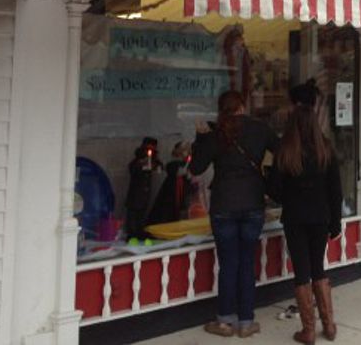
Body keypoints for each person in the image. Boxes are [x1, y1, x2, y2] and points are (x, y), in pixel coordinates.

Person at [191, 91, 279, 338]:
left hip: (223, 206)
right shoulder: (260, 128)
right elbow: (282, 151)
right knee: (247, 262)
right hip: (253, 203)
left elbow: (196, 167)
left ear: (221, 110)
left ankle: (224, 322)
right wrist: (270, 179)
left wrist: (200, 138)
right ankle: (246, 322)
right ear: (242, 106)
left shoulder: (215, 134)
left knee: (228, 263)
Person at [274, 81, 342, 344]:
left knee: (301, 271)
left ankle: (309, 330)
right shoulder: (326, 148)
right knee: (318, 268)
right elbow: (335, 190)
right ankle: (329, 325)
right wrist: (336, 223)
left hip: (295, 218)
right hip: (320, 216)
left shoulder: (286, 150)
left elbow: (276, 190)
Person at [147, 140, 192, 226]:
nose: (186, 152)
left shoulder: (186, 163)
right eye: (184, 150)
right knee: (167, 209)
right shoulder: (173, 163)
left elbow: (188, 175)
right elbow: (176, 172)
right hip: (171, 189)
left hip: (183, 188)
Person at [124, 136, 161, 239]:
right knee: (133, 212)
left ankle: (139, 231)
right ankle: (132, 232)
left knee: (142, 212)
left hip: (145, 192)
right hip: (136, 192)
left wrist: (154, 166)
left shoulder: (153, 161)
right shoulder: (136, 162)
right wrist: (142, 164)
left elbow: (159, 167)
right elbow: (133, 169)